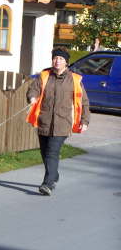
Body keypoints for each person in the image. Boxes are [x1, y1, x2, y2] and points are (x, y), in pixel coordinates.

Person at [26, 47, 90, 196]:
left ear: (66, 62)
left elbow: (84, 102)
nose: (57, 61)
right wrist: (32, 97)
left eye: (60, 59)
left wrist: (85, 121)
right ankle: (54, 175)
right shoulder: (44, 76)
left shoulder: (74, 79)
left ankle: (48, 184)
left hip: (63, 123)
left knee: (52, 153)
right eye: (55, 58)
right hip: (44, 121)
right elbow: (33, 89)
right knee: (44, 152)